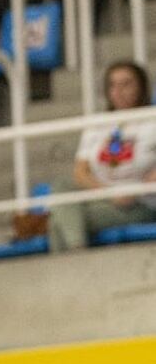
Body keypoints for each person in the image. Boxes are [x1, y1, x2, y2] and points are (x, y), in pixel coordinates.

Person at [49, 62, 156, 252]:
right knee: (61, 186)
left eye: (126, 84)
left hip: (140, 202)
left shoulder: (152, 119)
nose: (119, 91)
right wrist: (108, 193)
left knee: (58, 223)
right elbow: (81, 173)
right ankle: (77, 252)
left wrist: (136, 190)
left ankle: (74, 262)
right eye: (113, 85)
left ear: (141, 86)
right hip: (105, 195)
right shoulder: (99, 124)